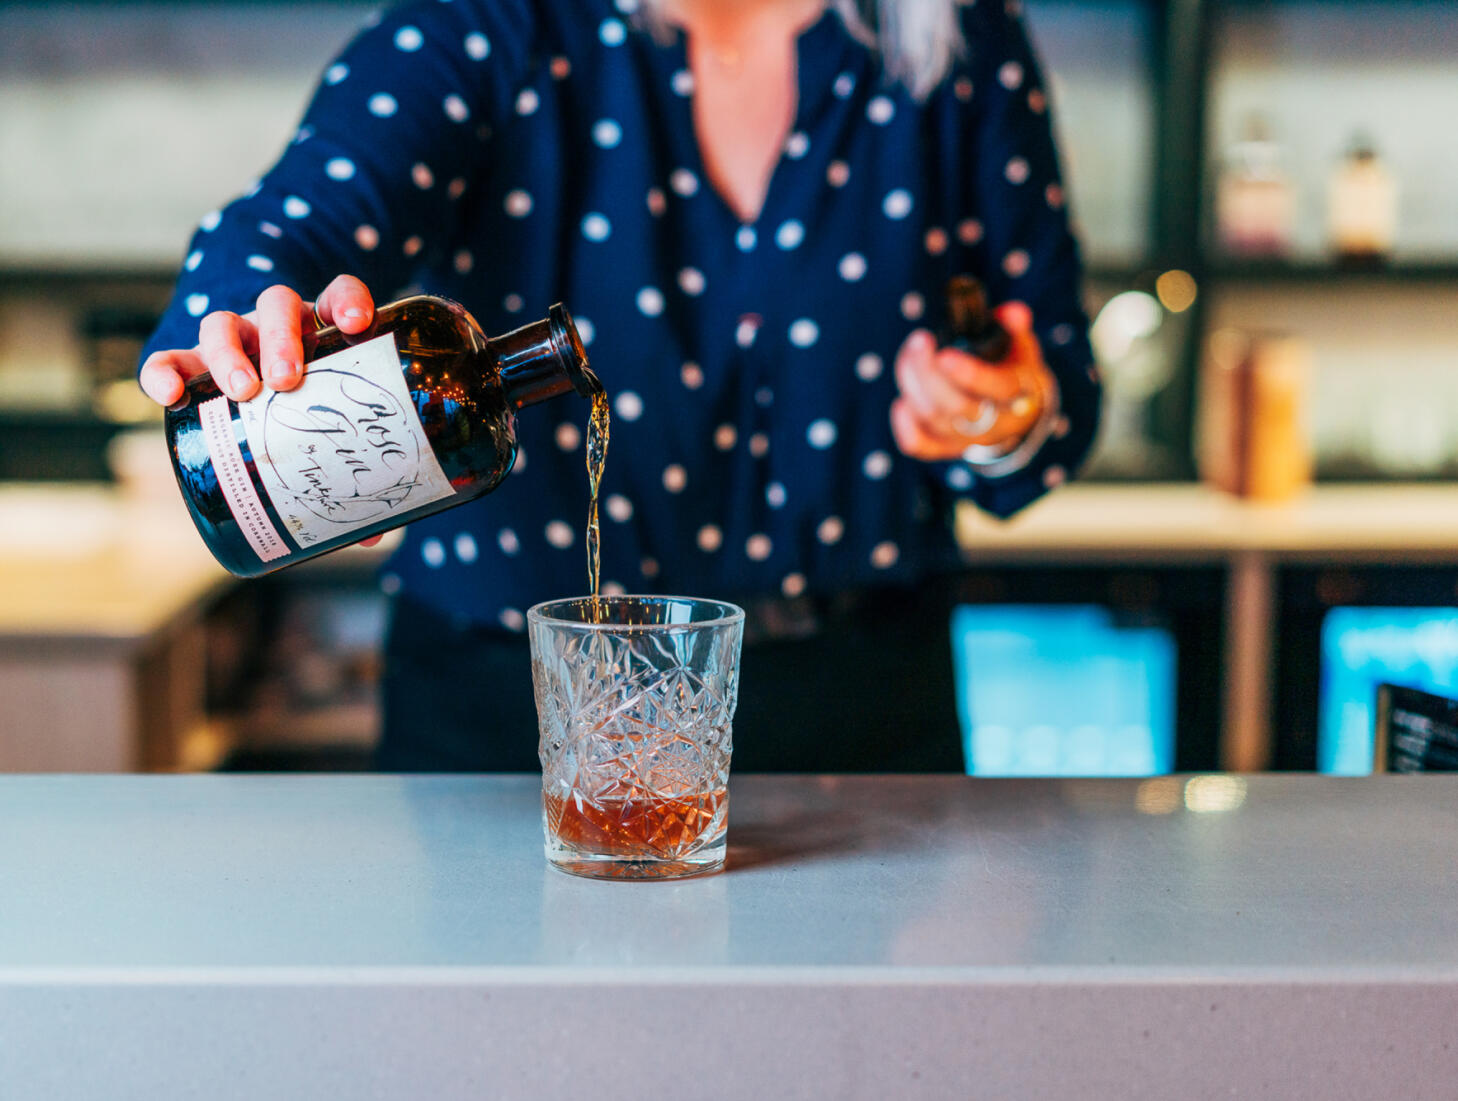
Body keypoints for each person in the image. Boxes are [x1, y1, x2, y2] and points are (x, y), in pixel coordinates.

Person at [139, 0, 1101, 772]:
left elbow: (1055, 407)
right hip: (502, 723)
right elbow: (291, 221)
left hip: (861, 715)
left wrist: (1004, 413)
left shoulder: (956, 40)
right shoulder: (489, 25)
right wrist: (243, 319)